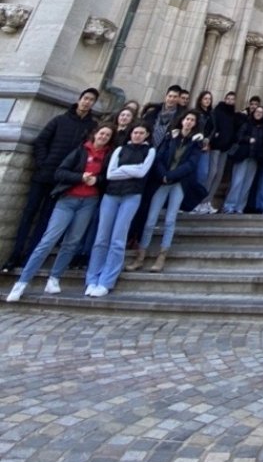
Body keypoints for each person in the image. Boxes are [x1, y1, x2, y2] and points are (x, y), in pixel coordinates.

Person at [6, 123, 114, 301]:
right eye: (102, 133)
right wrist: (80, 177)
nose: (103, 137)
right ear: (95, 134)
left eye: (108, 135)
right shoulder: (80, 151)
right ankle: (22, 281)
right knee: (48, 240)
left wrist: (97, 180)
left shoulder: (107, 156)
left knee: (72, 242)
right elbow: (60, 172)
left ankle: (54, 277)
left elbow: (106, 178)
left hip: (89, 201)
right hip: (68, 200)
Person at [2, 87, 99, 274]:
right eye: (85, 98)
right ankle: (14, 255)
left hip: (64, 181)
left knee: (46, 219)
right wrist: (43, 163)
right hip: (44, 175)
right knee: (29, 213)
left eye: (91, 100)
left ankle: (30, 256)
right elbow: (41, 142)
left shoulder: (90, 128)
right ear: (79, 99)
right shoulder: (59, 120)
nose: (87, 102)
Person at [84, 122, 156, 296]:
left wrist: (122, 169)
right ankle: (92, 279)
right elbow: (110, 174)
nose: (137, 135)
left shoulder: (150, 151)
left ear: (146, 135)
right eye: (135, 132)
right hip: (111, 194)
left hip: (132, 195)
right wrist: (130, 170)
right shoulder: (119, 150)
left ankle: (107, 280)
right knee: (101, 237)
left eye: (141, 132)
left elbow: (142, 172)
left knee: (118, 238)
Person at [127, 112, 202, 272]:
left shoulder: (196, 142)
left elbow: (191, 164)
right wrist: (163, 175)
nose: (188, 122)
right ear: (182, 121)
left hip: (178, 183)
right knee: (151, 219)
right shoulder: (170, 137)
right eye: (187, 119)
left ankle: (162, 256)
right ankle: (141, 255)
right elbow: (159, 157)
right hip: (163, 181)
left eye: (192, 120)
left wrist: (172, 176)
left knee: (170, 220)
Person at [222, 105, 263, 214]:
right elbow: (238, 137)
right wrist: (248, 139)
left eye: (261, 112)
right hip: (243, 156)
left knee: (247, 183)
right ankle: (229, 205)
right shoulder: (247, 124)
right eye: (257, 112)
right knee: (237, 181)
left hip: (254, 158)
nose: (259, 114)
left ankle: (240, 207)